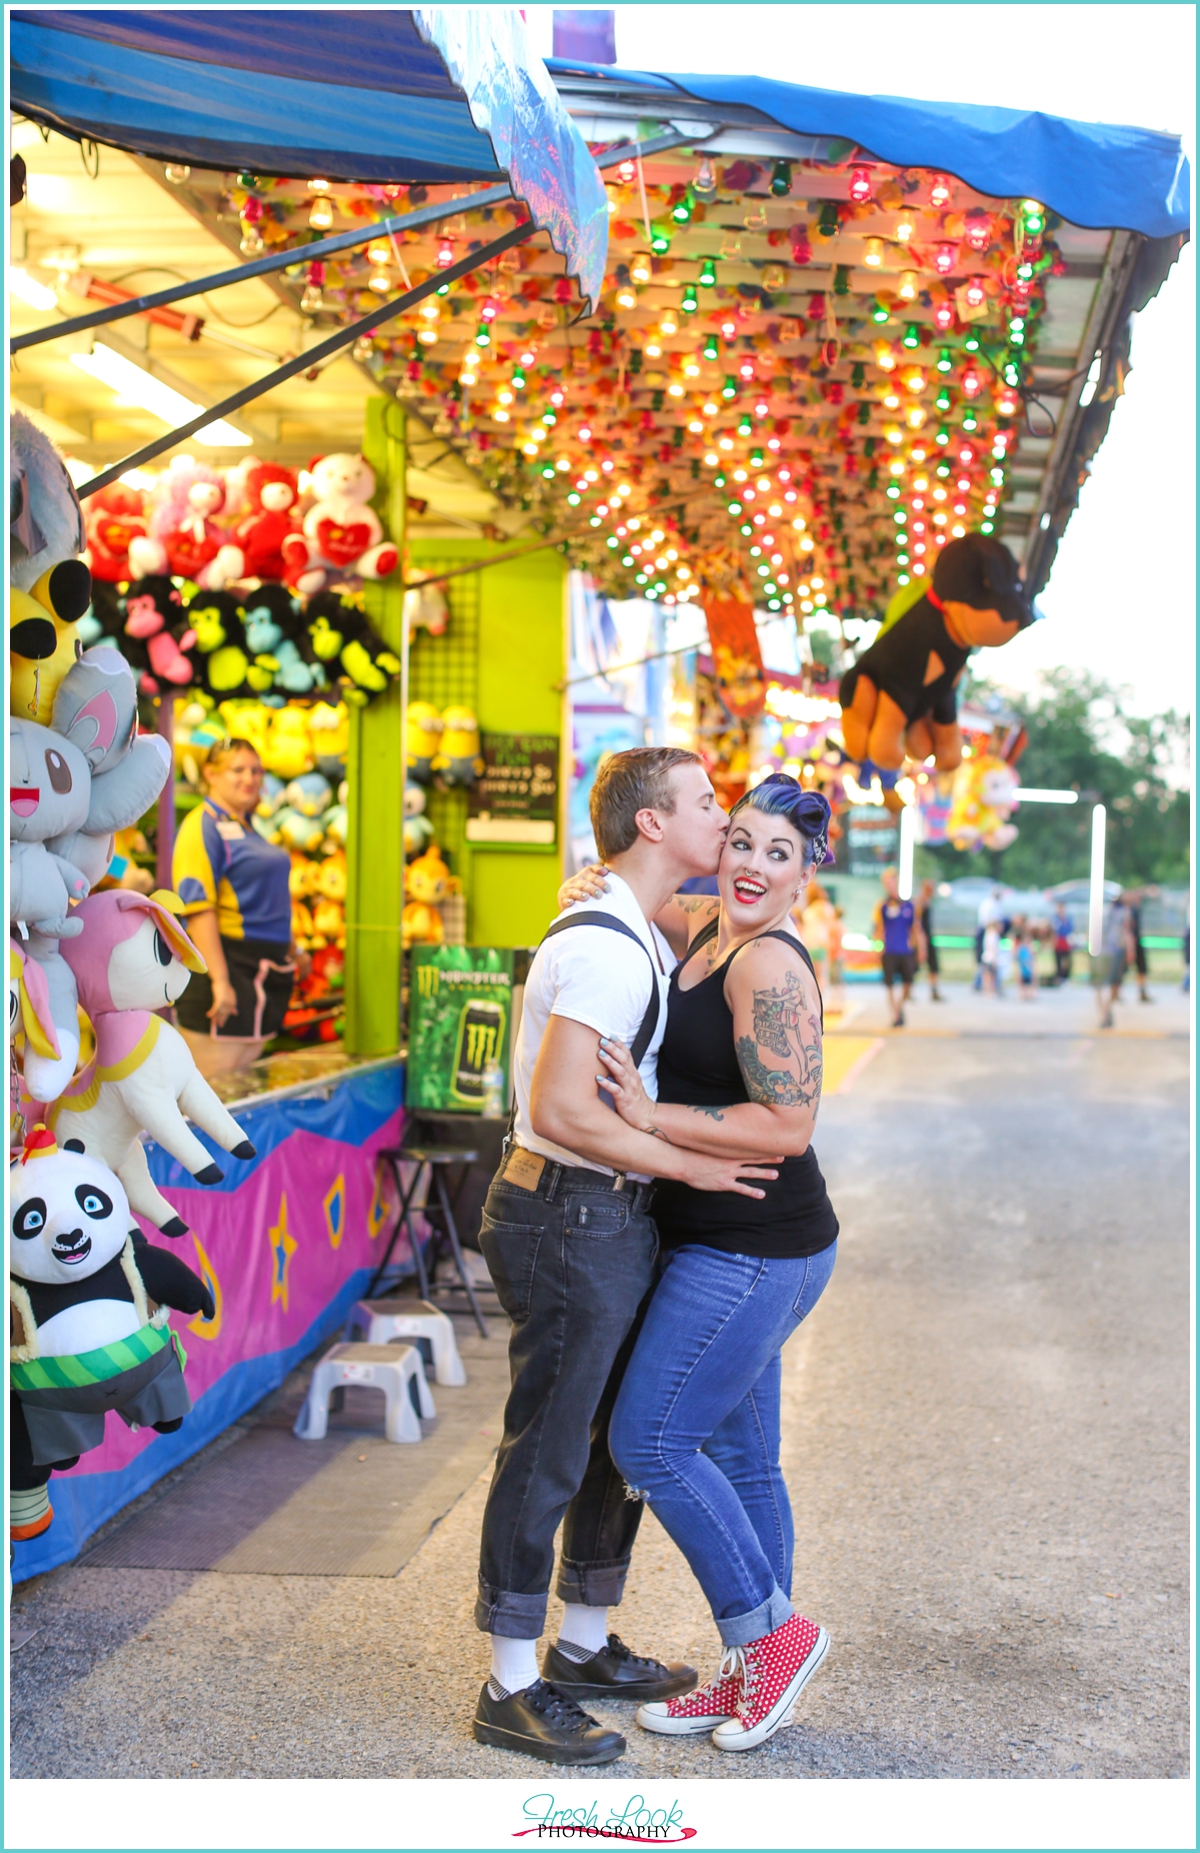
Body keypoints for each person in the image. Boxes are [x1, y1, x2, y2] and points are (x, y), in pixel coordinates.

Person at [472, 747, 781, 1768]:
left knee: (611, 1441)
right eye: (703, 802)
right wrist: (683, 1166)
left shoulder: (639, 924)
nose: (720, 816)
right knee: (553, 1441)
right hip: (567, 1211)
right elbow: (561, 1108)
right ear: (651, 824)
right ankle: (509, 1683)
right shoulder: (609, 943)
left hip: (605, 1211)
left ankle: (584, 1644)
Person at [575, 775, 837, 1753]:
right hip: (729, 1236)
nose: (753, 864)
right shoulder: (707, 928)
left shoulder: (766, 966)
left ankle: (772, 1636)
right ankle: (748, 1674)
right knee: (739, 1457)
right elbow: (642, 889)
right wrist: (590, 882)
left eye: (780, 852)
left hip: (754, 1242)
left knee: (649, 1443)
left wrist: (649, 1116)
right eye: (741, 840)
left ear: (807, 876)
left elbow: (790, 1120)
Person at [172, 738, 304, 1079]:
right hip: (227, 968)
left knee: (240, 1084)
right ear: (211, 774)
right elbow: (197, 907)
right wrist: (220, 980)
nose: (250, 778)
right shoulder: (202, 826)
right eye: (238, 770)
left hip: (261, 972)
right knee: (212, 1089)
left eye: (256, 770)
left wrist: (294, 949)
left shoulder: (247, 827)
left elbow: (266, 901)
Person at [873, 866, 921, 1027]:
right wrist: (877, 948)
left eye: (892, 881)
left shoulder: (909, 905)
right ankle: (895, 1015)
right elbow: (879, 928)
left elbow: (915, 928)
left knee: (909, 982)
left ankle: (899, 1007)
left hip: (905, 950)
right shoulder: (882, 906)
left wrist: (919, 948)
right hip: (889, 950)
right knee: (890, 985)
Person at [1095, 892, 1135, 1030]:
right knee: (1114, 984)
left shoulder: (1105, 911)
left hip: (1102, 950)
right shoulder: (1124, 912)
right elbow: (1126, 931)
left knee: (1100, 985)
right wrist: (1130, 950)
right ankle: (1106, 1011)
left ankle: (1105, 1013)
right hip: (1115, 951)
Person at [916, 878, 944, 1001]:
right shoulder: (920, 903)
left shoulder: (927, 902)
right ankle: (908, 991)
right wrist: (920, 939)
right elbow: (916, 923)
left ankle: (934, 990)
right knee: (915, 965)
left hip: (928, 936)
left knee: (933, 965)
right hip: (922, 937)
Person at [1050, 897, 1073, 986]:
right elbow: (1054, 929)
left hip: (1066, 941)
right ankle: (1059, 977)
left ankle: (1066, 977)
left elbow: (1069, 929)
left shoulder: (1068, 918)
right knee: (1058, 960)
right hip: (1058, 941)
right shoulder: (1054, 918)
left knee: (1067, 960)